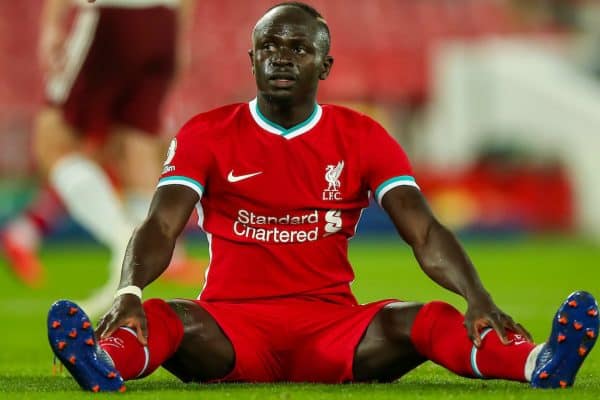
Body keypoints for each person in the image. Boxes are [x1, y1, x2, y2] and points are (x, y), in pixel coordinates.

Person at [47, 2, 598, 392]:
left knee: (429, 318)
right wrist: (130, 289)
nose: (281, 57)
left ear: (325, 66)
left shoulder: (362, 136)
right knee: (164, 319)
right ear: (252, 59)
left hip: (332, 329)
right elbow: (161, 225)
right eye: (268, 46)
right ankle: (102, 363)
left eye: (297, 48)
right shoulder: (206, 133)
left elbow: (424, 230)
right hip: (230, 328)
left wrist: (476, 294)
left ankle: (538, 363)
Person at [1, 0, 198, 308]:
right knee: (135, 149)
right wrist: (181, 35)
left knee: (54, 142)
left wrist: (52, 24)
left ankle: (123, 241)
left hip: (111, 14)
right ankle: (145, 266)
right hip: (164, 23)